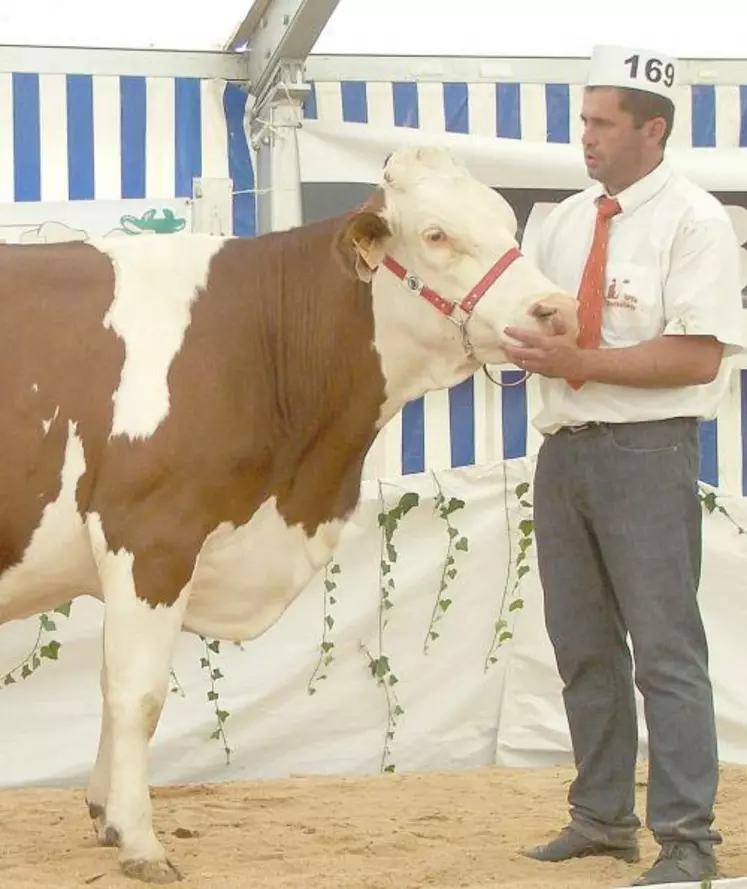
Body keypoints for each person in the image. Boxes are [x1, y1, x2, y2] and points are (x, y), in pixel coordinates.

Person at [502, 43, 745, 886]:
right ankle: (601, 818)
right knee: (582, 645)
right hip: (564, 449)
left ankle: (687, 840)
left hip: (646, 450)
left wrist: (576, 362)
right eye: (582, 121)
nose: (586, 137)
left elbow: (696, 358)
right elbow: (531, 321)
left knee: (664, 650)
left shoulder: (696, 221)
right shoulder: (564, 220)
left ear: (654, 128)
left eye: (601, 122)